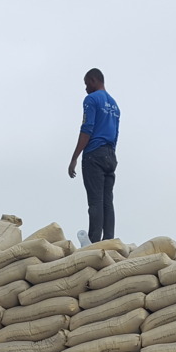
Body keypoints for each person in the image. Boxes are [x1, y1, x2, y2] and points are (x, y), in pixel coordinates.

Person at [67, 68, 120, 244]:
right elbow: (115, 133)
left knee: (95, 201)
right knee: (107, 201)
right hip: (110, 155)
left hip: (94, 154)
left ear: (92, 80)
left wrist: (75, 157)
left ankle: (94, 243)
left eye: (86, 84)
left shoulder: (91, 99)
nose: (85, 89)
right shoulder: (115, 105)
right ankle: (109, 240)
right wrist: (110, 154)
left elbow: (87, 129)